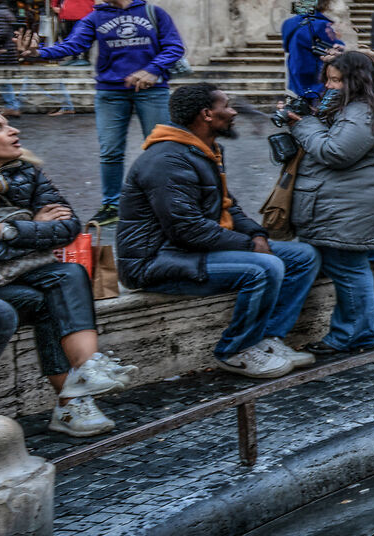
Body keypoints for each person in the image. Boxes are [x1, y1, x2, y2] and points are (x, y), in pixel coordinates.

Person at [117, 83, 320, 379]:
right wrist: (250, 247)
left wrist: (256, 234)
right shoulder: (167, 161)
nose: (233, 111)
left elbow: (228, 206)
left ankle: (269, 340)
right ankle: (235, 350)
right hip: (155, 261)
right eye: (227, 105)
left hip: (190, 250)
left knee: (304, 256)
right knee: (264, 267)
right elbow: (186, 229)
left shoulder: (205, 150)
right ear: (207, 114)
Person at [0, 106, 129, 436]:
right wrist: (34, 229)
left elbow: (69, 227)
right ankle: (70, 403)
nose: (13, 131)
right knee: (39, 303)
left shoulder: (28, 172)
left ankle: (85, 372)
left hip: (21, 271)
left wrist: (4, 230)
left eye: (8, 124)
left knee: (70, 273)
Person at [282, 52, 374, 355]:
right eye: (328, 80)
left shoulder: (363, 112)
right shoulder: (364, 107)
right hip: (351, 199)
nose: (330, 87)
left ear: (356, 80)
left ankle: (352, 335)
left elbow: (337, 152)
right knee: (346, 262)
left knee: (347, 267)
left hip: (351, 202)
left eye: (337, 80)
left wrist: (303, 125)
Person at [22, 0, 184, 222]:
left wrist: (152, 69)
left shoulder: (154, 13)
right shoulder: (95, 17)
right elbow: (73, 45)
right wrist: (38, 53)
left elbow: (174, 47)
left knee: (160, 148)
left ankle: (162, 200)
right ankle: (112, 205)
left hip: (152, 91)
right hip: (110, 92)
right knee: (110, 151)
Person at [280, 0, 346, 102]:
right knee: (317, 103)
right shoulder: (322, 24)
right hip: (316, 70)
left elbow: (286, 47)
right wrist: (339, 37)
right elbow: (337, 48)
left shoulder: (288, 23)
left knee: (302, 103)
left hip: (295, 67)